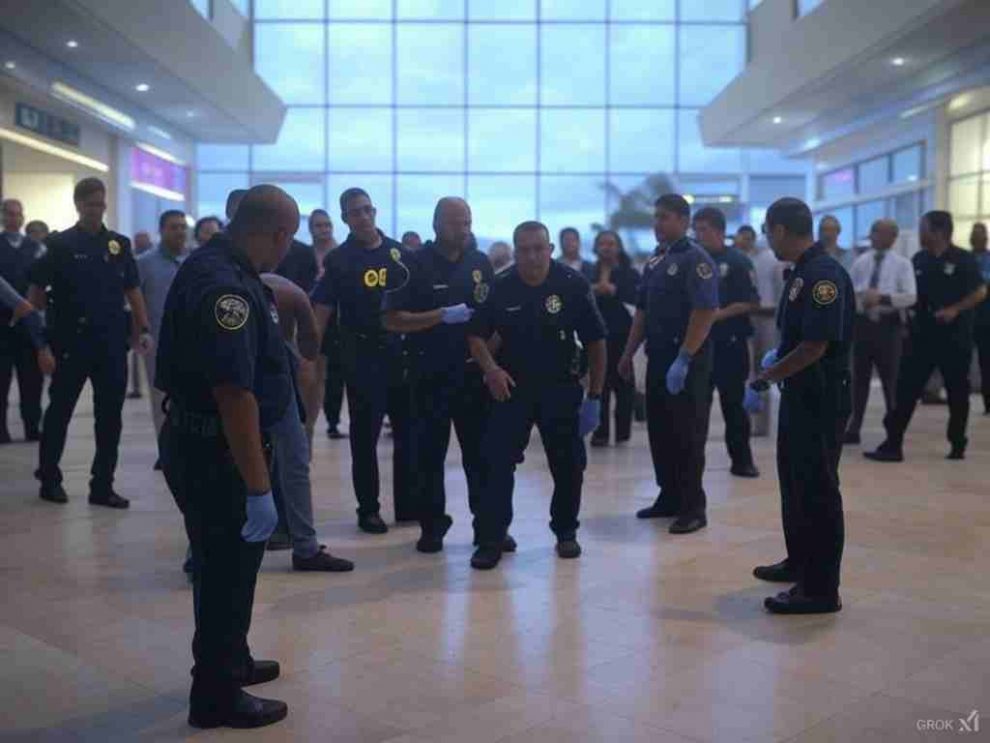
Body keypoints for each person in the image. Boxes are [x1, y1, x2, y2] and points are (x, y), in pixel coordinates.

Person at [156, 185, 296, 729]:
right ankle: (214, 695)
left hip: (214, 444)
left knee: (236, 570)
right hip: (215, 450)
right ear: (278, 233)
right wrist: (260, 489)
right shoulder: (224, 287)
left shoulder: (227, 268)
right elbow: (233, 394)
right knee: (223, 574)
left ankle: (230, 660)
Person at [466, 220, 606, 570]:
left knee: (568, 466)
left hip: (561, 387)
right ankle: (493, 538)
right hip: (512, 389)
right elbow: (476, 337)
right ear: (515, 251)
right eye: (524, 249)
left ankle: (565, 532)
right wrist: (491, 370)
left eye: (538, 248)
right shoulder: (501, 286)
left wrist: (595, 396)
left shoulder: (572, 284)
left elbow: (596, 342)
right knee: (497, 465)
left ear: (550, 250)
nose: (531, 256)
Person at [746, 197, 854, 614]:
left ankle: (822, 589)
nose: (765, 238)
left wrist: (765, 376)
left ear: (779, 230)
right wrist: (778, 361)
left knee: (818, 490)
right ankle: (800, 562)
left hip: (821, 396)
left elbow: (814, 346)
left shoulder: (823, 276)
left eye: (765, 230)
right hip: (800, 393)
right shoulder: (801, 273)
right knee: (794, 483)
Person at [383, 197, 503, 553]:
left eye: (467, 222)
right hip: (428, 373)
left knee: (480, 458)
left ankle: (488, 530)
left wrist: (490, 361)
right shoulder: (413, 264)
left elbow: (494, 317)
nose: (463, 230)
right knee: (428, 458)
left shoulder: (479, 262)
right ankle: (432, 526)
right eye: (455, 223)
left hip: (471, 376)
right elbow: (391, 319)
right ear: (436, 224)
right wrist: (438, 316)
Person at [27, 178, 154, 507]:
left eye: (101, 203)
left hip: (111, 343)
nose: (96, 209)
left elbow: (133, 290)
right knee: (60, 412)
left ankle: (102, 485)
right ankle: (49, 477)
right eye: (90, 204)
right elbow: (36, 294)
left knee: (110, 416)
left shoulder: (118, 244)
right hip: (69, 342)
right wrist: (39, 341)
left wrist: (143, 327)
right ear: (78, 205)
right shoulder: (60, 245)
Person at [310, 188, 415, 533]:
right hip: (360, 357)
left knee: (407, 434)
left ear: (376, 211)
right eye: (356, 212)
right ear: (346, 219)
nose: (364, 217)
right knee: (364, 439)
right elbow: (322, 310)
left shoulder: (399, 253)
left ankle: (408, 505)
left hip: (400, 355)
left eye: (368, 209)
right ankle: (368, 509)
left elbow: (418, 303)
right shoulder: (339, 260)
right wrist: (309, 355)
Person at [618, 194, 718, 535]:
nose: (657, 223)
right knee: (660, 430)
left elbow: (704, 312)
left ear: (683, 221)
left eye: (664, 217)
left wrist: (686, 357)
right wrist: (628, 352)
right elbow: (642, 311)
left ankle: (693, 507)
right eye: (655, 217)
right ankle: (669, 496)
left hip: (687, 359)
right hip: (659, 356)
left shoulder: (696, 260)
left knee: (688, 433)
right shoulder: (655, 260)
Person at [865, 212, 987, 462]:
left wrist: (955, 309)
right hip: (922, 336)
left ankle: (957, 444)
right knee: (906, 389)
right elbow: (911, 294)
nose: (920, 234)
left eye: (923, 229)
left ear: (938, 232)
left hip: (954, 337)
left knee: (957, 391)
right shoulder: (919, 259)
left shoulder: (962, 259)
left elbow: (980, 292)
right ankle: (893, 444)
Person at [260, 272, 354, 572]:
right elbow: (311, 346)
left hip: (235, 374)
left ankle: (199, 553)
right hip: (275, 373)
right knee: (294, 461)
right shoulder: (291, 292)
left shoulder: (220, 279)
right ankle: (305, 546)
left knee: (228, 462)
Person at [694, 207, 760, 477]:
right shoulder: (693, 261)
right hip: (699, 344)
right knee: (697, 407)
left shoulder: (737, 261)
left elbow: (751, 302)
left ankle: (742, 460)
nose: (699, 235)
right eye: (695, 230)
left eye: (704, 230)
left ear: (720, 231)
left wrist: (717, 315)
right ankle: (692, 464)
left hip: (730, 343)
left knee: (733, 405)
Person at [843, 219, 916, 444]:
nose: (875, 236)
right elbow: (848, 292)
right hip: (863, 325)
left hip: (888, 325)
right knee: (858, 379)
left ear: (893, 237)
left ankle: (894, 429)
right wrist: (861, 299)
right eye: (874, 231)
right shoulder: (861, 261)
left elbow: (910, 297)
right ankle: (853, 427)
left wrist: (882, 298)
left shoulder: (902, 264)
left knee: (890, 380)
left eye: (881, 232)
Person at [137, 210, 188, 468]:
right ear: (162, 230)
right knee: (161, 400)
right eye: (173, 227)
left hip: (192, 342)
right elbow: (135, 301)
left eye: (182, 227)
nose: (180, 231)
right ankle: (166, 451)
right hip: (157, 342)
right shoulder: (144, 263)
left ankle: (188, 449)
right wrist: (140, 333)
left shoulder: (195, 260)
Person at [586, 230, 639, 447]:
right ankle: (600, 431)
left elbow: (637, 300)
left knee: (624, 385)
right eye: (602, 243)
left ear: (618, 246)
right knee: (600, 384)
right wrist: (594, 289)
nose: (606, 247)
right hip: (598, 336)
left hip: (624, 335)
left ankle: (622, 432)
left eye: (611, 243)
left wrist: (615, 290)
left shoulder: (630, 273)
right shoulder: (589, 271)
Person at [0, 198, 45, 443]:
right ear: (2, 217)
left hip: (29, 324)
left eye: (18, 214)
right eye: (9, 214)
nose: (13, 218)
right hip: (2, 324)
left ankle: (31, 426)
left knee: (32, 380)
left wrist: (28, 307)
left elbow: (43, 280)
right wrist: (18, 304)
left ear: (23, 217)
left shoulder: (36, 247)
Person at [737, 224, 785, 437]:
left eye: (748, 238)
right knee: (745, 370)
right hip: (744, 318)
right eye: (741, 238)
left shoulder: (770, 260)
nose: (744, 241)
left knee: (765, 370)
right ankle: (743, 419)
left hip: (767, 317)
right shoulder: (737, 260)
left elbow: (780, 291)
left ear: (754, 238)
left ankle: (762, 424)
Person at [304, 209, 345, 442]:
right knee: (315, 372)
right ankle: (309, 420)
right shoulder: (305, 256)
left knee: (336, 374)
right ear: (311, 228)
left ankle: (332, 422)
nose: (325, 229)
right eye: (319, 225)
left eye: (327, 224)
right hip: (312, 317)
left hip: (338, 320)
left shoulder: (341, 254)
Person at [970, 222, 990, 415]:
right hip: (966, 317)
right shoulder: (964, 259)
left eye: (981, 234)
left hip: (986, 318)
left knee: (986, 361)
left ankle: (988, 401)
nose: (977, 237)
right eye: (974, 234)